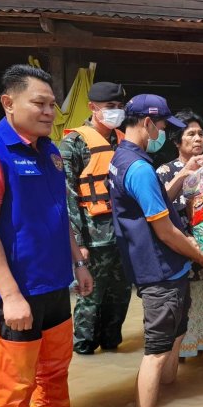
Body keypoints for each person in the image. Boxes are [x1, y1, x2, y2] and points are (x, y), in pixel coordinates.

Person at [0, 64, 93, 407]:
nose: (49, 112)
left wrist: (78, 263)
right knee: (17, 382)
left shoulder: (50, 152)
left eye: (52, 104)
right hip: (18, 293)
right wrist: (10, 295)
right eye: (40, 103)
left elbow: (59, 214)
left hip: (55, 285)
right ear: (8, 102)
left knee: (56, 372)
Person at [108, 94, 203, 407]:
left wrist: (184, 173)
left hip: (168, 268)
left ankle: (170, 399)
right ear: (147, 123)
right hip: (160, 270)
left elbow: (159, 202)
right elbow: (166, 230)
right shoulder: (140, 169)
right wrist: (202, 256)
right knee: (157, 351)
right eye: (162, 126)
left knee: (175, 337)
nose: (163, 133)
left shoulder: (122, 159)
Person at [60, 81, 133, 355]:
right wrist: (78, 245)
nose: (116, 112)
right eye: (109, 107)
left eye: (119, 107)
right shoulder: (73, 144)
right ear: (92, 108)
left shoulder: (125, 140)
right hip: (93, 239)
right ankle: (84, 350)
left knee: (120, 298)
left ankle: (112, 348)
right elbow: (68, 197)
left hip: (123, 236)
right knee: (90, 299)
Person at [157, 111, 203, 358]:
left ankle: (201, 366)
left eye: (201, 134)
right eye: (191, 134)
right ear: (177, 141)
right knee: (183, 308)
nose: (198, 139)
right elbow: (160, 207)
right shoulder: (165, 171)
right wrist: (184, 173)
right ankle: (179, 357)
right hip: (182, 250)